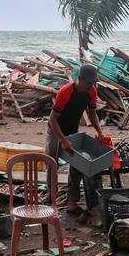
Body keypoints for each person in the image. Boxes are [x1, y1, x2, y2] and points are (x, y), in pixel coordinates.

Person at [47, 64, 105, 215]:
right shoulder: (65, 92)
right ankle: (50, 195)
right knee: (52, 161)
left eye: (93, 82)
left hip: (73, 128)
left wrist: (99, 131)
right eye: (88, 82)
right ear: (80, 79)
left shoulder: (91, 91)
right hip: (56, 128)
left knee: (77, 162)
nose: (91, 85)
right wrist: (63, 141)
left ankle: (72, 201)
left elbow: (92, 114)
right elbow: (52, 119)